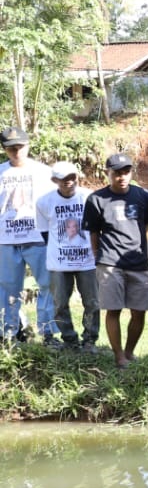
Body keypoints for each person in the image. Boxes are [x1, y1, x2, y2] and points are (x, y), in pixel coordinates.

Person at [83, 153, 148, 368]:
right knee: (113, 310)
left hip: (138, 262)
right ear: (108, 173)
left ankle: (130, 351)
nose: (122, 177)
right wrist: (98, 255)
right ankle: (119, 357)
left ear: (131, 172)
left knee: (139, 311)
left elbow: (146, 224)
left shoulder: (143, 196)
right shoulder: (96, 199)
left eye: (126, 172)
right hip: (110, 262)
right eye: (116, 173)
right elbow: (94, 232)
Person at [0, 125, 58, 344]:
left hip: (38, 238)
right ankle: (9, 334)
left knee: (47, 285)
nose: (16, 151)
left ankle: (48, 333)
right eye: (11, 148)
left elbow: (53, 205)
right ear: (4, 149)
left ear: (28, 145)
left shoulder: (43, 172)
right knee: (7, 289)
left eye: (20, 146)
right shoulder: (1, 172)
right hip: (6, 240)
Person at [36, 162, 97, 349]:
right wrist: (60, 250)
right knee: (60, 303)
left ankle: (89, 340)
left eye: (72, 177)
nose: (69, 182)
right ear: (55, 180)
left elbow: (97, 228)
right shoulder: (44, 202)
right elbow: (45, 232)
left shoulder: (89, 197)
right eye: (64, 179)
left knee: (92, 303)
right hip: (59, 263)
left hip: (87, 260)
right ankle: (69, 340)